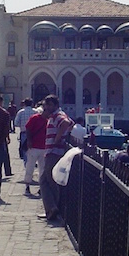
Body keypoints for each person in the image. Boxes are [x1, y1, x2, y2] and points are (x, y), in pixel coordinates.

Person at [39, 95, 74, 224]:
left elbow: (66, 123)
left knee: (48, 180)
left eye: (48, 105)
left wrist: (57, 139)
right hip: (52, 151)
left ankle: (53, 208)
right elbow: (71, 123)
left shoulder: (57, 115)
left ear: (54, 105)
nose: (46, 108)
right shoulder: (54, 116)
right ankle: (51, 208)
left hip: (54, 152)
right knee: (46, 180)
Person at [22, 105, 49, 195]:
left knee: (42, 168)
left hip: (44, 147)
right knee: (30, 166)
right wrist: (29, 140)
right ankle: (27, 186)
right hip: (33, 146)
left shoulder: (49, 120)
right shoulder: (35, 118)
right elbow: (28, 129)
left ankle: (41, 187)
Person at [13, 98, 35, 164]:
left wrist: (22, 125)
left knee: (25, 149)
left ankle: (26, 164)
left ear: (24, 104)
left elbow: (16, 123)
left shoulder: (21, 112)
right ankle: (33, 162)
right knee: (34, 149)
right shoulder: (35, 112)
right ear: (32, 104)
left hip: (24, 133)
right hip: (35, 133)